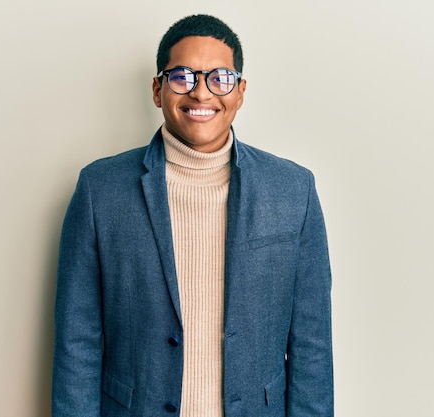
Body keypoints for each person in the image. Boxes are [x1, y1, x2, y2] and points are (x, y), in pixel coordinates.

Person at [52, 14, 333, 417]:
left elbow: (312, 345)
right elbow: (76, 340)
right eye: (183, 76)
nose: (201, 94)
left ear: (240, 92)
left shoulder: (293, 190)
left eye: (220, 78)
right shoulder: (101, 189)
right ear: (157, 89)